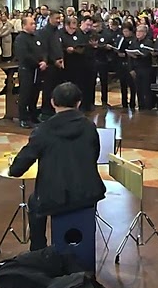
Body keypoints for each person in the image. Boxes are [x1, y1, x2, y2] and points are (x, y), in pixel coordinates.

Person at [8, 82, 106, 252]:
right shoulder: (89, 127)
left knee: (34, 202)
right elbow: (94, 156)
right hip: (88, 192)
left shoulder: (43, 130)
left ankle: (38, 249)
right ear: (79, 103)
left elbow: (18, 169)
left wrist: (13, 167)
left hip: (55, 196)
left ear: (52, 102)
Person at [12, 15, 46, 129]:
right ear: (24, 25)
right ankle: (23, 118)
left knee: (35, 93)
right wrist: (37, 63)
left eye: (34, 23)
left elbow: (42, 51)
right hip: (27, 70)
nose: (34, 26)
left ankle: (33, 115)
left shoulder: (36, 37)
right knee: (25, 94)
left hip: (38, 70)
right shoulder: (20, 39)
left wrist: (44, 61)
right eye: (31, 24)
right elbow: (24, 55)